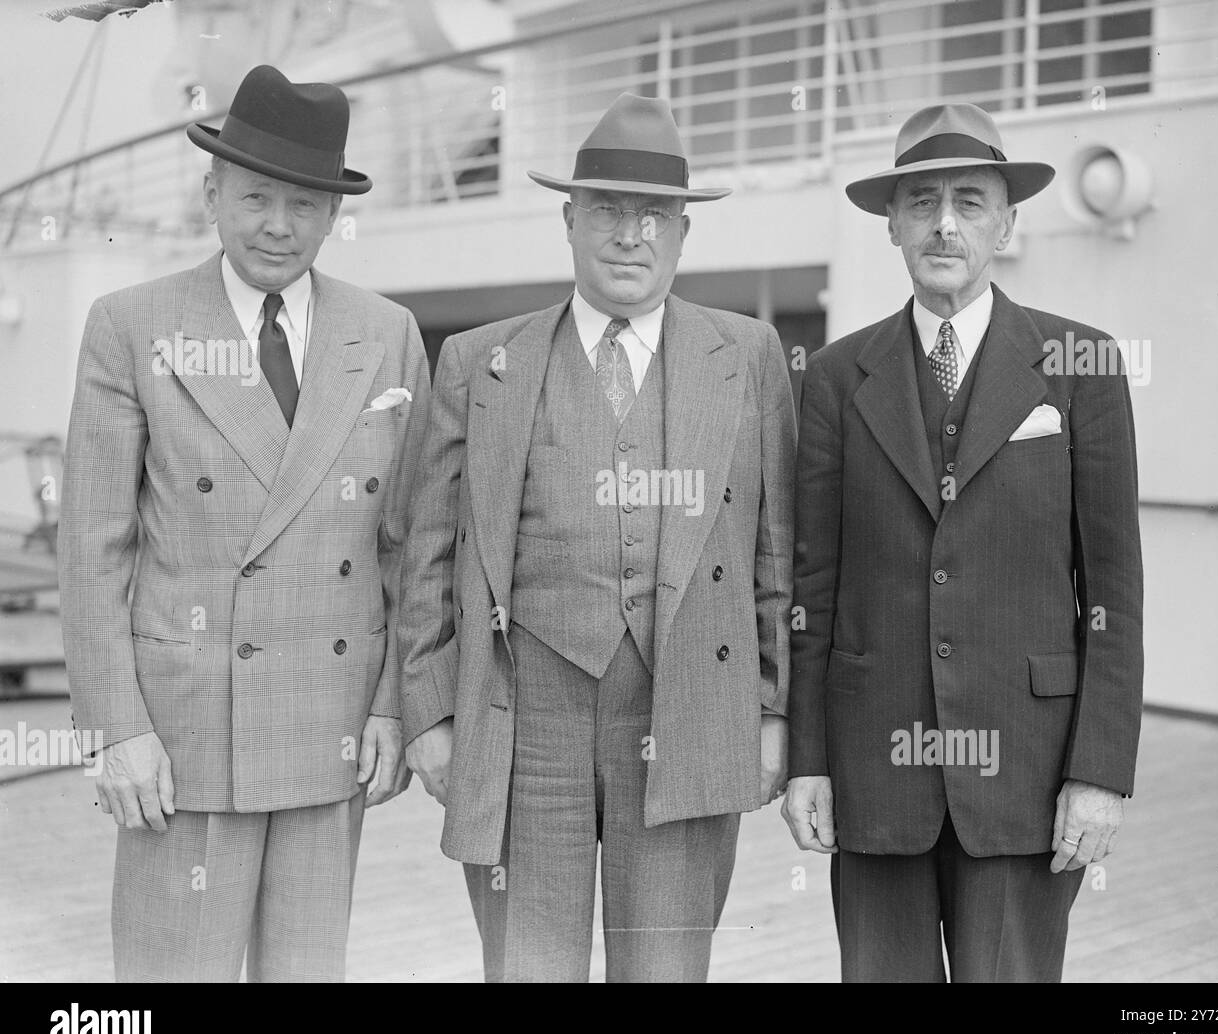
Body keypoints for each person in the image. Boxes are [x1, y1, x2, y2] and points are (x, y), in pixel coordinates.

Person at [398, 93, 796, 982]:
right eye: (609, 211)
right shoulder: (479, 361)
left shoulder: (749, 356)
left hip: (688, 708)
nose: (631, 235)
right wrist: (428, 709)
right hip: (524, 715)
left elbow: (776, 552)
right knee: (529, 968)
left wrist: (773, 709)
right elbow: (429, 549)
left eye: (654, 215)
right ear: (569, 220)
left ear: (683, 234)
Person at [58, 64, 430, 982]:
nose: (278, 224)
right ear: (212, 190)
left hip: (329, 725)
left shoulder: (386, 333)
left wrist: (393, 707)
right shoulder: (133, 326)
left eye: (305, 203)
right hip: (181, 740)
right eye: (257, 195)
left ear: (335, 213)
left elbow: (412, 546)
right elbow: (93, 546)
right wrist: (116, 727)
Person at [782, 103, 1143, 982]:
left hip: (1027, 774)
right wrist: (809, 764)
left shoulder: (1077, 365)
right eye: (925, 201)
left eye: (971, 201)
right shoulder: (834, 377)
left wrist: (1099, 773)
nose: (946, 222)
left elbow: (1113, 591)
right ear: (895, 223)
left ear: (1006, 223)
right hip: (875, 776)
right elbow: (813, 585)